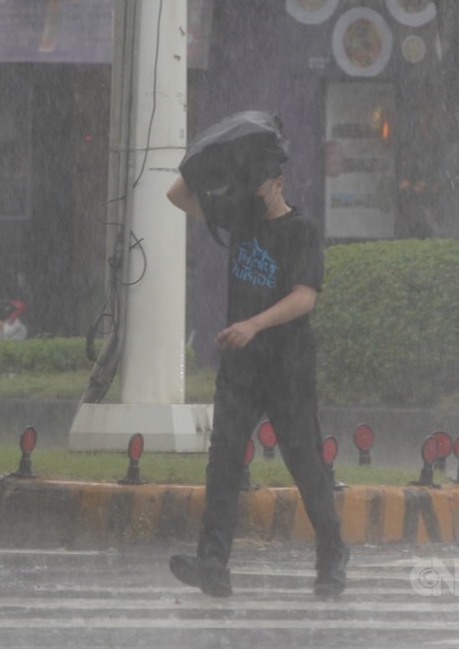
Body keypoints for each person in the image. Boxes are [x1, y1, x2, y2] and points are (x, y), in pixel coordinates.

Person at [165, 122, 350, 598]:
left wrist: (254, 324)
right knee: (224, 459)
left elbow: (304, 298)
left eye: (260, 182)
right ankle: (213, 563)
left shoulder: (301, 230)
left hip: (287, 364)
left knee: (304, 462)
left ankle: (332, 556)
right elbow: (177, 196)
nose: (254, 190)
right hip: (240, 367)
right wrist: (214, 160)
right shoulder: (241, 214)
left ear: (280, 183)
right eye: (249, 182)